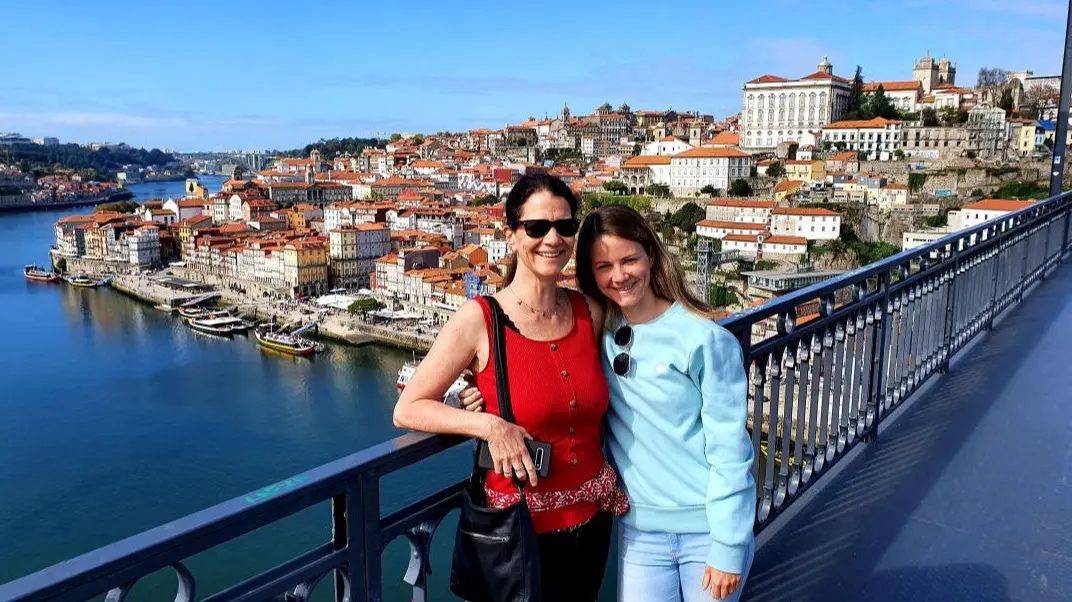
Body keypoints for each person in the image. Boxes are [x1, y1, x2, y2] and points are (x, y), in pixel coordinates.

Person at [393, 173, 628, 601]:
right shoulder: (480, 318)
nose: (552, 239)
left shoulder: (588, 311)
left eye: (564, 226)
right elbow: (407, 408)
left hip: (592, 524)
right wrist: (487, 426)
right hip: (518, 535)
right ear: (512, 236)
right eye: (537, 227)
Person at [575, 205, 756, 602]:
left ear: (650, 256)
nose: (618, 276)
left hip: (707, 532)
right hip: (640, 533)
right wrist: (474, 388)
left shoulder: (703, 339)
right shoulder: (598, 336)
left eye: (628, 260)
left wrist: (728, 546)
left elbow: (730, 451)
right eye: (603, 266)